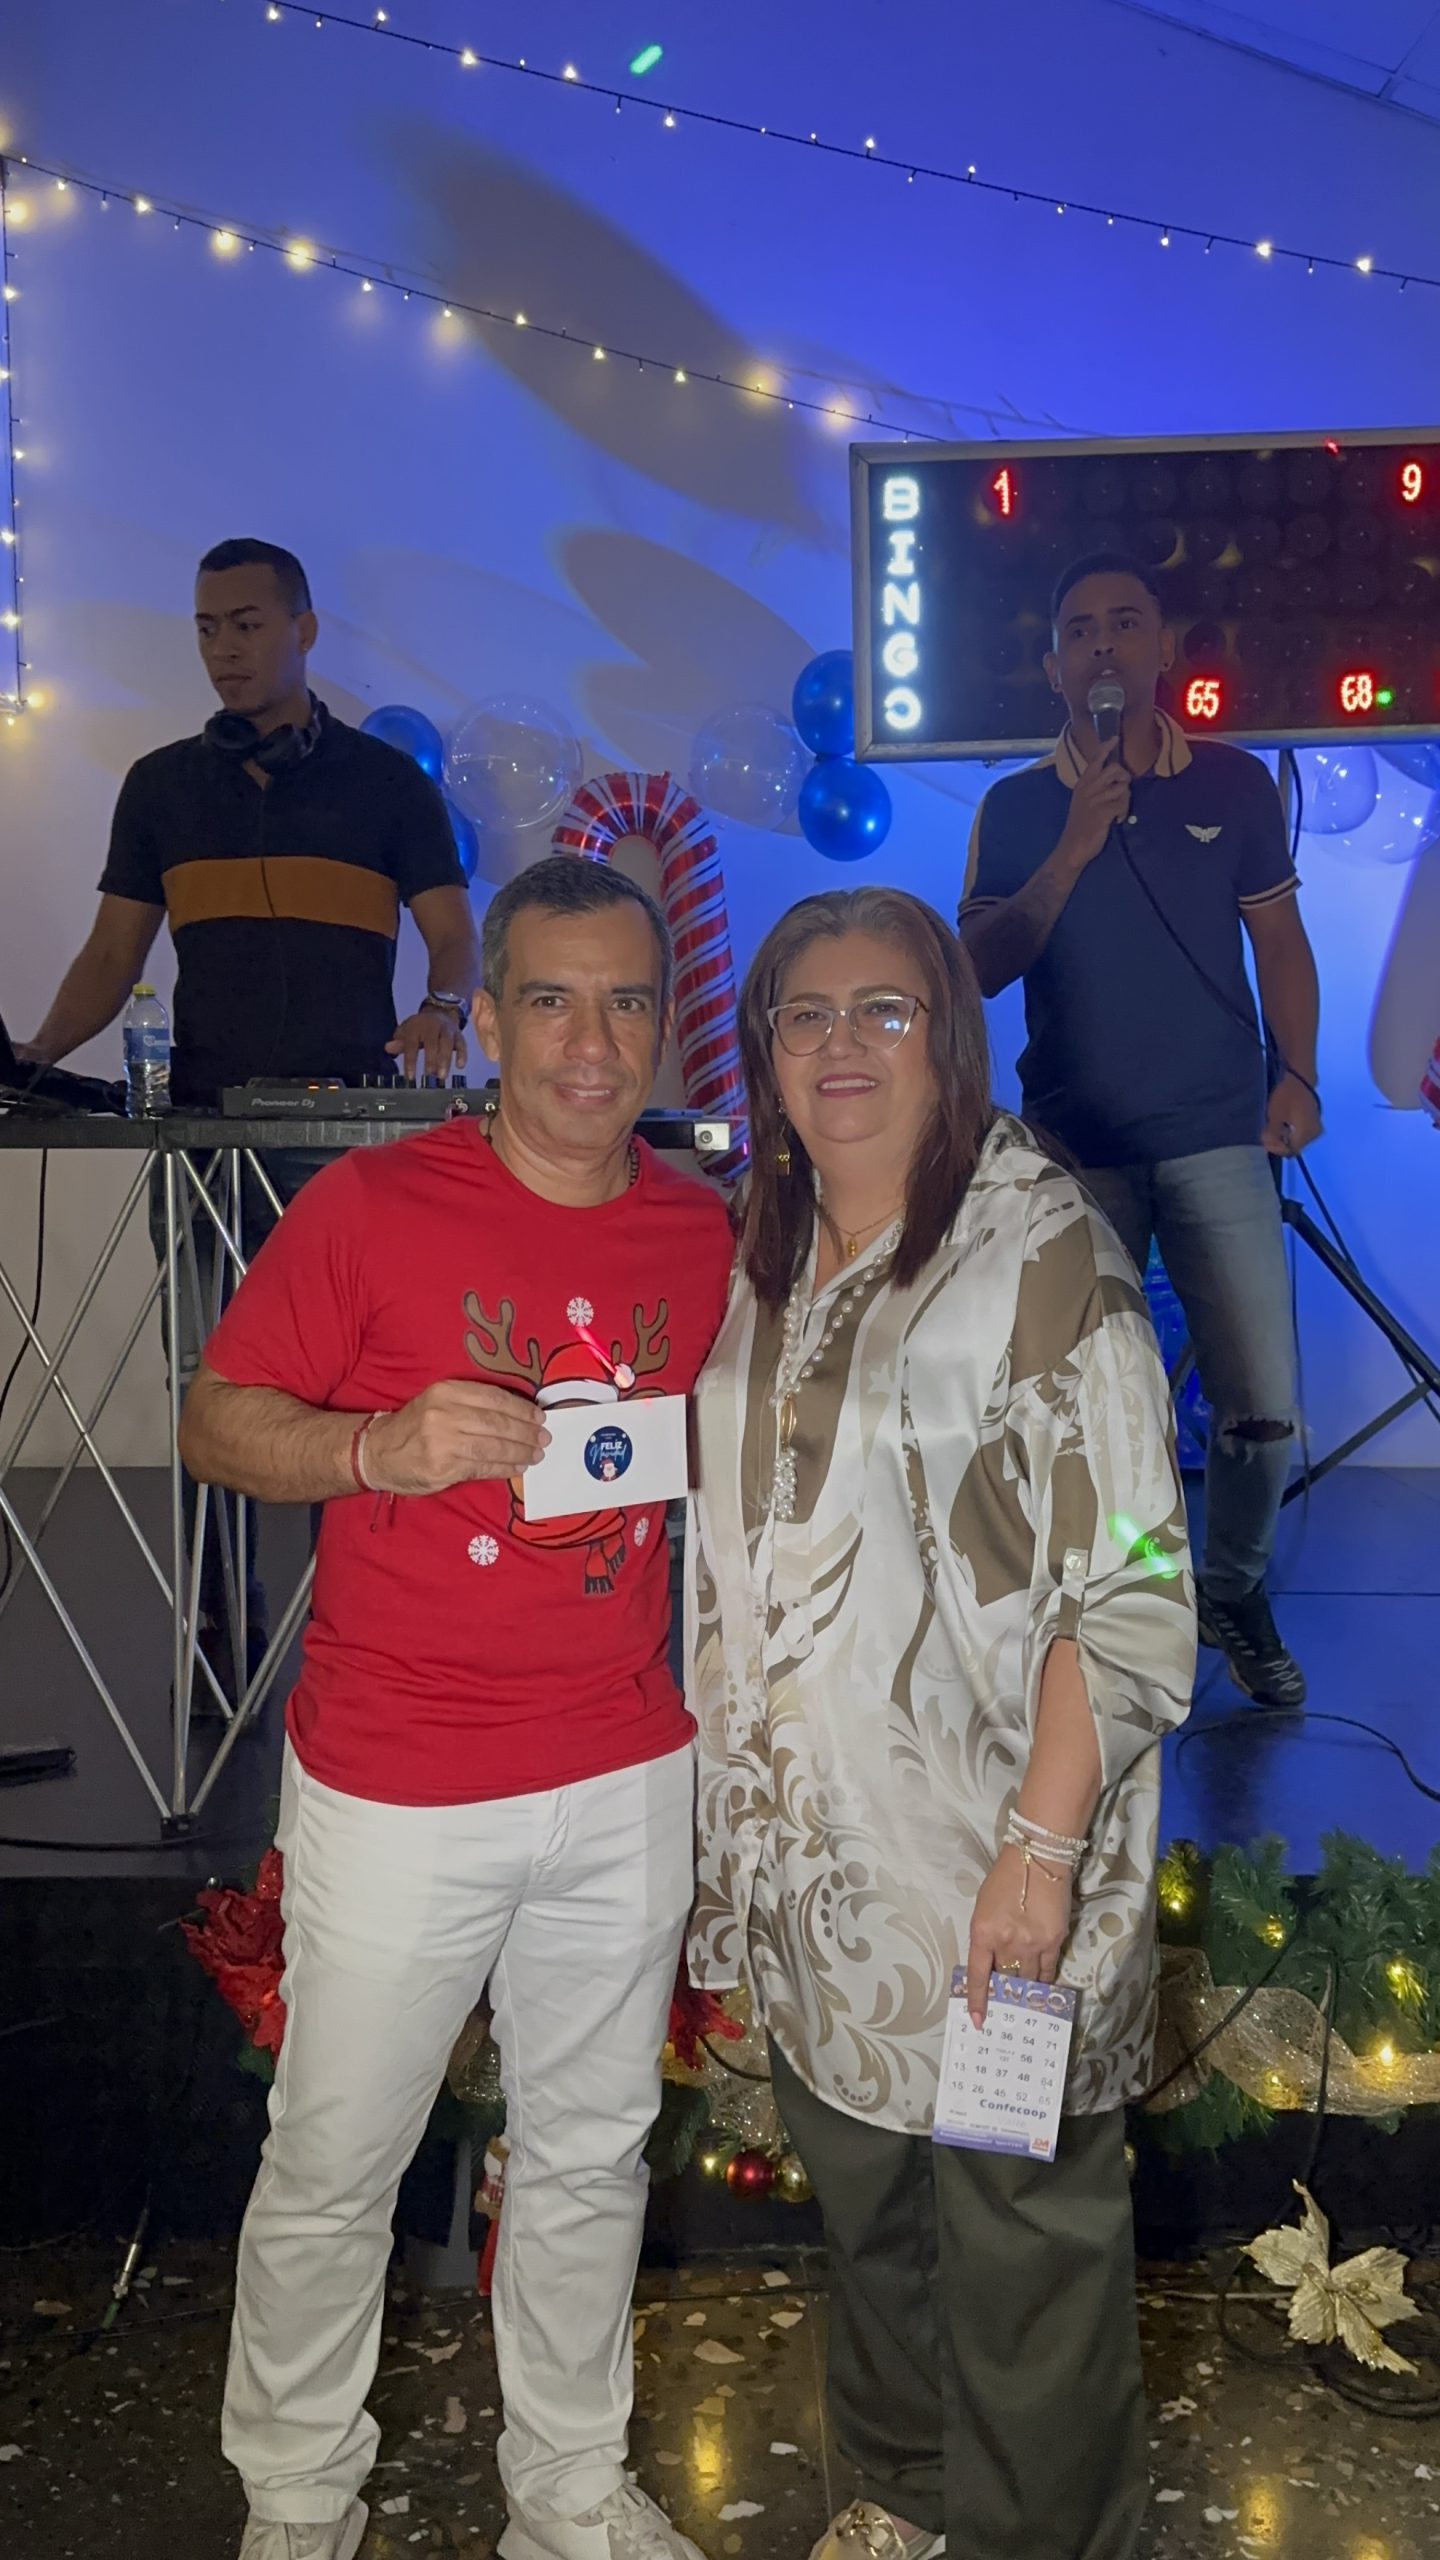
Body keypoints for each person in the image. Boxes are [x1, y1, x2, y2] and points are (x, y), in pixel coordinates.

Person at [178, 856, 733, 2560]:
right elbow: (214, 1417)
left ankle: (567, 2492)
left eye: (626, 1003)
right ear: (485, 1020)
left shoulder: (700, 1230)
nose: (591, 1043)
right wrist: (372, 1447)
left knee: (592, 2155)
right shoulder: (371, 1209)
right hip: (400, 1778)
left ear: (665, 1024)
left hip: (625, 1768)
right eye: (551, 1001)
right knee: (336, 2159)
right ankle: (298, 2501)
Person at [687, 887, 1195, 2560]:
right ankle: (901, 2502)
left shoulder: (1044, 1252)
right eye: (806, 1012)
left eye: (884, 1010)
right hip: (817, 1866)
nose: (841, 1043)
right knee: (872, 2221)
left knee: (1023, 2242)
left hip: (990, 1867)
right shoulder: (766, 1243)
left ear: (949, 1039)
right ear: (765, 1049)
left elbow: (1131, 1580)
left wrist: (1040, 1854)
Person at [21, 536, 480, 1697]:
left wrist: (440, 1006)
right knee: (211, 1385)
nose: (224, 649)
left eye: (247, 624)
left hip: (345, 1143)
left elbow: (454, 933)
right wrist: (32, 1058)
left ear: (304, 630)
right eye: (206, 629)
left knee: (358, 1389)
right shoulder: (161, 788)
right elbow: (112, 955)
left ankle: (355, 1622)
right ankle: (221, 1621)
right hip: (204, 1135)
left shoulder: (388, 786)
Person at [960, 551, 1322, 1710]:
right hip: (1079, 1149)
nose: (1102, 646)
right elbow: (978, 966)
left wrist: (1299, 1073)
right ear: (1054, 667)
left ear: (1163, 649)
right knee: (1095, 1414)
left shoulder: (1236, 785)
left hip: (1220, 1132)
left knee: (1263, 1408)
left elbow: (1280, 944)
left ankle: (1233, 1586)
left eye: (1125, 624)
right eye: (1079, 630)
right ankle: (1126, 1603)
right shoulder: (1017, 807)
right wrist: (1074, 843)